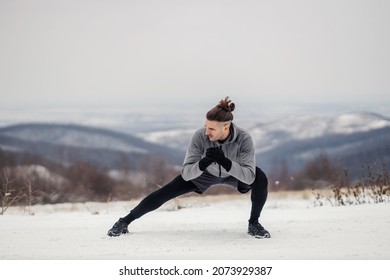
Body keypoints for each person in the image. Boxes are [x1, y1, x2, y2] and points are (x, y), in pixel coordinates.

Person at [107, 97, 270, 238]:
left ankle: (254, 224)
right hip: (205, 174)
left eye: (211, 128)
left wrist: (226, 162)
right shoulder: (200, 136)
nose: (206, 132)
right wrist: (203, 163)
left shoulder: (244, 139)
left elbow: (249, 177)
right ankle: (124, 222)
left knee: (260, 178)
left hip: (235, 174)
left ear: (226, 127)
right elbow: (186, 173)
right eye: (206, 126)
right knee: (167, 190)